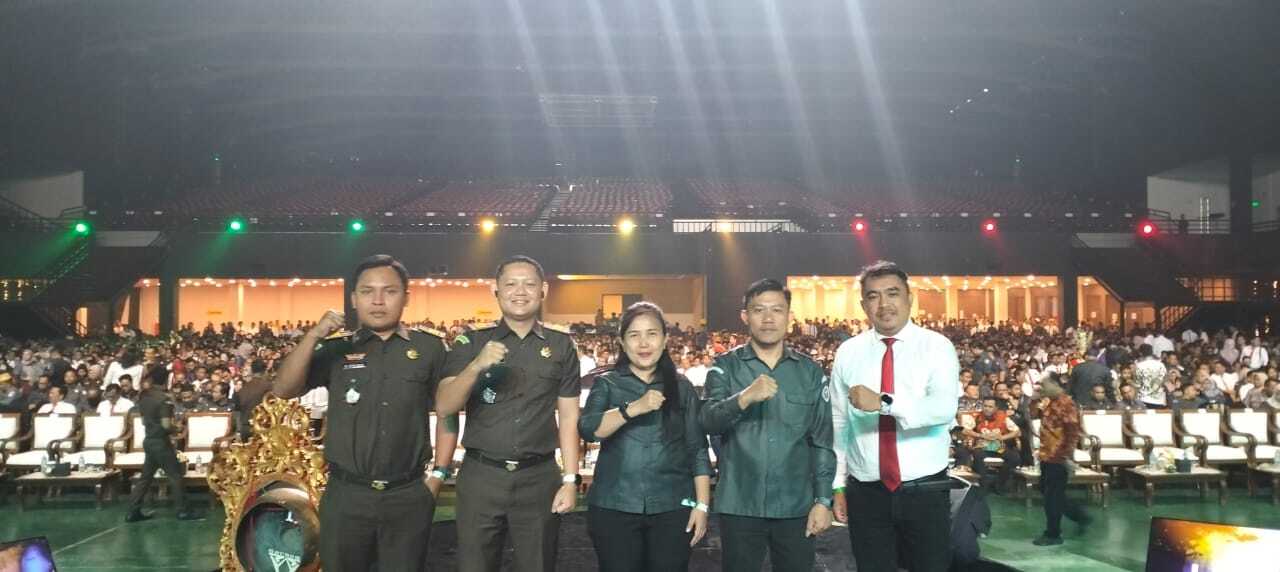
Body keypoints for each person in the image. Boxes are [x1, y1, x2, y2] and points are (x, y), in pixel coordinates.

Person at [269, 255, 451, 572]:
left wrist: (439, 475)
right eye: (367, 291)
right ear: (353, 299)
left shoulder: (430, 349)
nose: (378, 301)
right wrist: (313, 336)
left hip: (408, 494)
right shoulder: (336, 348)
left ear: (406, 297)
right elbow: (284, 389)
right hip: (347, 496)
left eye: (389, 291)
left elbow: (448, 412)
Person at [435, 255, 582, 572]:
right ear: (496, 291)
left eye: (529, 284)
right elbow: (445, 405)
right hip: (481, 476)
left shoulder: (561, 345)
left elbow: (569, 417)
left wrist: (571, 479)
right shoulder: (471, 341)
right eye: (511, 284)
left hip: (539, 478)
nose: (520, 291)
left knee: (538, 564)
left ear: (543, 290)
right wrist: (476, 365)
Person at [831, 261, 959, 572]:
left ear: (909, 298)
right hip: (866, 493)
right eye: (873, 296)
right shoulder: (849, 352)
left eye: (892, 294)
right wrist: (837, 485)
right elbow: (838, 422)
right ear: (863, 305)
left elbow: (942, 409)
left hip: (925, 491)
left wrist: (884, 403)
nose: (884, 304)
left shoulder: (936, 347)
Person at [699, 278, 835, 572]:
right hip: (740, 504)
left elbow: (822, 440)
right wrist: (744, 398)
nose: (768, 318)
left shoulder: (810, 372)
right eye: (759, 310)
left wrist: (824, 499)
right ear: (745, 316)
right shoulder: (724, 367)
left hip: (795, 505)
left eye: (777, 310)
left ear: (789, 316)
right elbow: (708, 421)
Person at [579, 302, 712, 571]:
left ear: (664, 339)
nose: (643, 343)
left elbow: (697, 449)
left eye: (651, 334)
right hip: (614, 506)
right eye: (634, 335)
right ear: (622, 342)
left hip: (673, 506)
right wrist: (633, 409)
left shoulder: (682, 387)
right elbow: (589, 429)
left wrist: (702, 505)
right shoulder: (607, 383)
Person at [125, 368, 202, 522]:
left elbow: (143, 421)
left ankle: (132, 512)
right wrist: (177, 429)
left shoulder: (144, 397)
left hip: (149, 440)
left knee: (145, 478)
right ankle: (183, 511)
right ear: (166, 380)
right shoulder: (164, 399)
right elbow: (166, 425)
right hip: (161, 442)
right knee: (175, 476)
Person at [1029, 377, 1089, 546]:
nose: (1042, 388)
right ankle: (1080, 516)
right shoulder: (1049, 402)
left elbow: (1072, 432)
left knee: (1052, 497)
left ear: (1056, 385)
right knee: (1046, 490)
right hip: (1046, 453)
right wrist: (1033, 399)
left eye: (1045, 385)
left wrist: (1066, 455)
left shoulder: (1066, 404)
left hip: (1058, 455)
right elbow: (1033, 415)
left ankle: (1053, 534)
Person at [956, 397, 1022, 492]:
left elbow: (1017, 432)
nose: (987, 409)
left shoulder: (1003, 417)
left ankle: (1000, 483)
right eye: (985, 406)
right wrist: (980, 435)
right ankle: (983, 484)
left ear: (996, 408)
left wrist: (1002, 437)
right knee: (978, 455)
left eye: (990, 407)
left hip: (997, 447)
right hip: (982, 446)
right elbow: (964, 430)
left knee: (1014, 458)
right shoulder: (977, 416)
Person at [1132, 344, 1167, 409]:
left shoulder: (1139, 366)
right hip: (1159, 399)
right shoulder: (1161, 365)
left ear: (1140, 353)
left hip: (1144, 399)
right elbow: (1164, 381)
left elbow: (1137, 384)